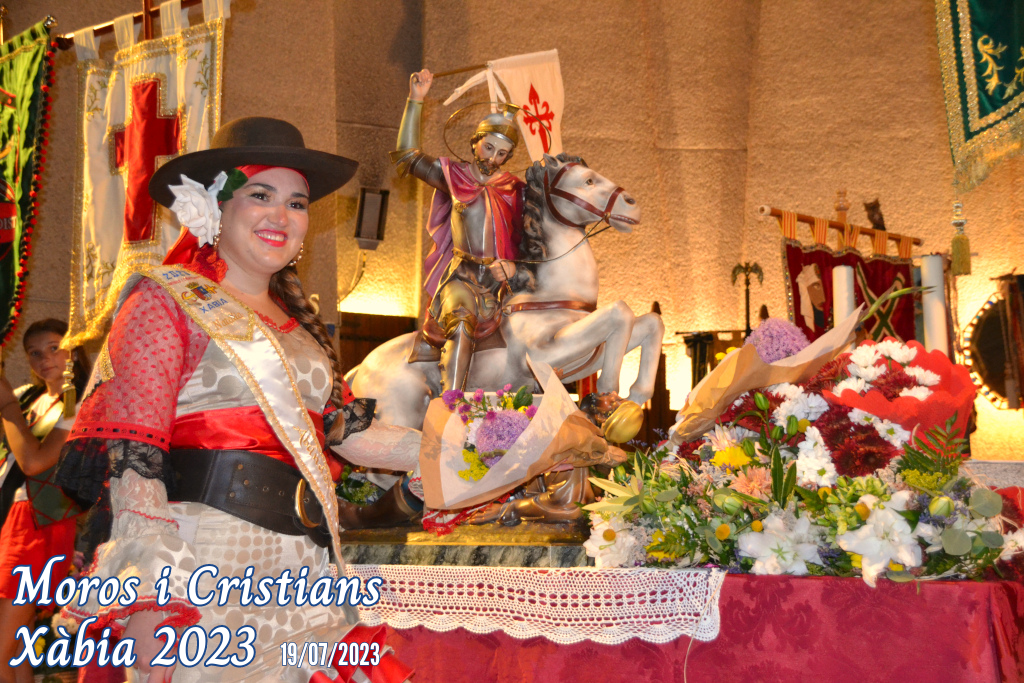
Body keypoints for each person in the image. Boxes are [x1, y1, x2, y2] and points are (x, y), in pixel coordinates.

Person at [54, 118, 407, 683]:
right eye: (260, 195)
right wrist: (152, 594)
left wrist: (468, 445)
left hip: (306, 566)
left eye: (297, 203)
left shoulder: (302, 330)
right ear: (215, 207)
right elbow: (134, 454)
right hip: (206, 563)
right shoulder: (164, 300)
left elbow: (346, 433)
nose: (281, 216)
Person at [391, 69, 526, 392]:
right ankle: (450, 402)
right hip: (461, 277)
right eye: (488, 147)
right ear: (475, 143)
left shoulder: (515, 189)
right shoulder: (453, 176)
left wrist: (514, 267)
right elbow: (407, 156)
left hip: (500, 285)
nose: (493, 158)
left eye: (502, 153)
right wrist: (416, 100)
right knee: (462, 319)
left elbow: (532, 241)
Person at [0, 319, 90, 683]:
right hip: (12, 517)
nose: (44, 359)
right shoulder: (29, 398)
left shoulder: (79, 404)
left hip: (39, 522)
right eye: (34, 353)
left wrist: (7, 405)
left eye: (54, 348)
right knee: (14, 651)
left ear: (74, 351)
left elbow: (34, 462)